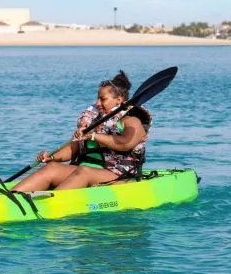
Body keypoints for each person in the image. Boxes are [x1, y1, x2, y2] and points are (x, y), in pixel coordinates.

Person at [12, 71, 152, 192]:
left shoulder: (132, 120)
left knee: (84, 172)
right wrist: (53, 157)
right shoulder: (94, 119)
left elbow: (125, 144)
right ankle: (11, 197)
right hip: (88, 170)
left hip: (120, 175)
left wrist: (93, 136)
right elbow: (75, 147)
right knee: (52, 167)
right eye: (97, 98)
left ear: (119, 100)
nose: (97, 103)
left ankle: (51, 204)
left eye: (103, 99)